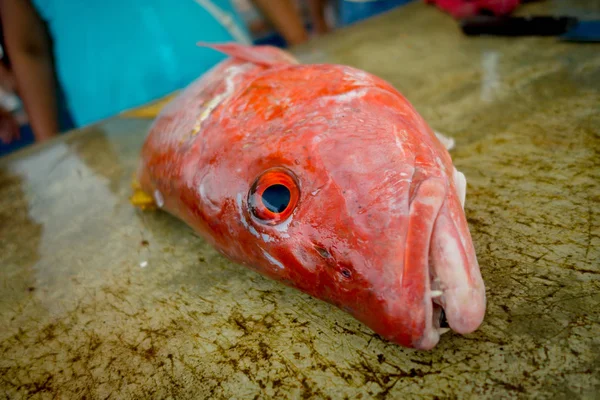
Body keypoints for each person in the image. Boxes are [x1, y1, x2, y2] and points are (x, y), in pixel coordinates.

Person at [0, 0, 313, 143]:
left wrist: (308, 55)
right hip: (115, 122)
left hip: (236, 87)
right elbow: (28, 48)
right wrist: (49, 147)